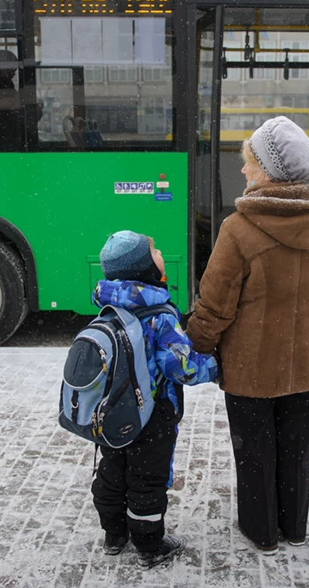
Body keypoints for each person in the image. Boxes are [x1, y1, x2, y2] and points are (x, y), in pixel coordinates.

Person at [185, 116, 309, 554]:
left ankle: (261, 532)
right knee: (294, 453)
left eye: (249, 161)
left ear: (268, 170)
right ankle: (293, 526)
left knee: (255, 455)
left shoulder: (238, 228)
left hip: (251, 372)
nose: (242, 170)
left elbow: (216, 305)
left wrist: (194, 344)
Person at [91, 230, 220, 568]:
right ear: (144, 266)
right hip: (153, 411)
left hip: (114, 411)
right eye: (155, 250)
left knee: (112, 469)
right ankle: (149, 543)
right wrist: (215, 367)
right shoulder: (159, 313)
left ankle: (114, 534)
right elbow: (181, 367)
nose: (161, 252)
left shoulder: (108, 305)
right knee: (148, 477)